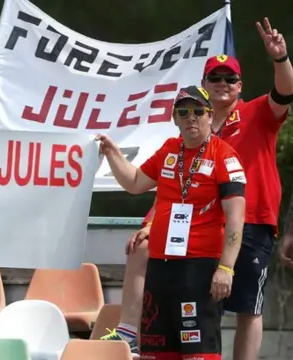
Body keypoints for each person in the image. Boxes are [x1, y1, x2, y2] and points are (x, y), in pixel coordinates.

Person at [101, 18, 293, 360]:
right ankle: (130, 333)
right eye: (214, 78)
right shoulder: (185, 138)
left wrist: (279, 59)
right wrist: (149, 221)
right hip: (200, 229)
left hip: (251, 220)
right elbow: (169, 189)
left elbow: (286, 91)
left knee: (248, 305)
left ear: (239, 85)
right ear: (203, 85)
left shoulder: (256, 112)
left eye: (229, 78)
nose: (222, 83)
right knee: (205, 309)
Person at [97, 86, 246, 359]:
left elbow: (237, 218)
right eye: (183, 112)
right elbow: (134, 182)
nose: (191, 117)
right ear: (174, 118)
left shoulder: (224, 155)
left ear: (209, 116)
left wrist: (226, 268)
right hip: (160, 267)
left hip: (198, 267)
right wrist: (112, 153)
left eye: (198, 111)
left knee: (198, 353)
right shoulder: (169, 149)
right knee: (156, 353)